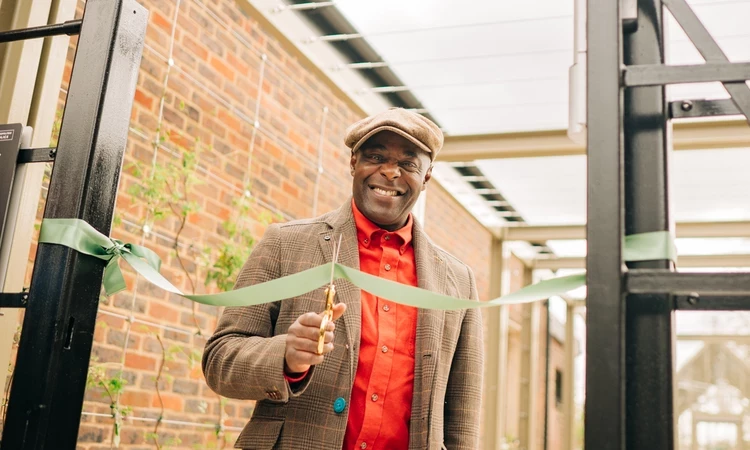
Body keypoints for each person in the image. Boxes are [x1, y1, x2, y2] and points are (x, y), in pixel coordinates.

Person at [202, 107, 484, 450]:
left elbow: (463, 411)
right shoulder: (285, 244)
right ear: (353, 162)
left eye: (408, 164)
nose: (390, 172)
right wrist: (286, 356)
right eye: (375, 156)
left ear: (426, 177)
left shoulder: (457, 280)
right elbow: (220, 359)